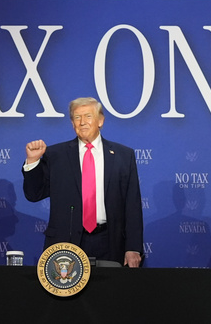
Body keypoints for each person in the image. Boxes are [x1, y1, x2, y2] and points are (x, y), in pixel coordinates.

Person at [22, 97, 143, 267]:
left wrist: (133, 247)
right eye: (77, 118)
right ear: (72, 123)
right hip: (66, 242)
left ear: (100, 121)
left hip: (110, 241)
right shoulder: (55, 155)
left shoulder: (124, 156)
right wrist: (33, 162)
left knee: (110, 294)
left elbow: (133, 206)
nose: (82, 122)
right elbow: (34, 194)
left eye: (88, 116)